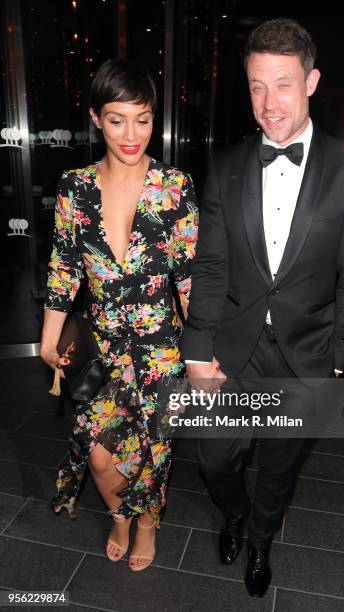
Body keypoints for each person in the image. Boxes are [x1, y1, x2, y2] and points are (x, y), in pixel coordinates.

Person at [181, 18, 344, 597]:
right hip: (230, 350)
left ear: (312, 81)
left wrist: (339, 361)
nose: (268, 103)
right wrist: (197, 354)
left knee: (280, 468)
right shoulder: (226, 166)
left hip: (305, 353)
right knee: (214, 460)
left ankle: (261, 538)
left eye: (283, 84)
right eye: (256, 86)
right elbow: (211, 267)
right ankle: (234, 514)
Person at [40, 59, 198, 572]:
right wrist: (49, 337)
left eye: (143, 118)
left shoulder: (174, 185)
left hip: (162, 353)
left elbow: (189, 278)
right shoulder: (74, 187)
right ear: (95, 118)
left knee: (152, 455)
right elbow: (64, 268)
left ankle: (147, 521)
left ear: (155, 120)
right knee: (101, 457)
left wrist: (202, 355)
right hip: (104, 351)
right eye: (117, 119)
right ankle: (120, 516)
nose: (132, 134)